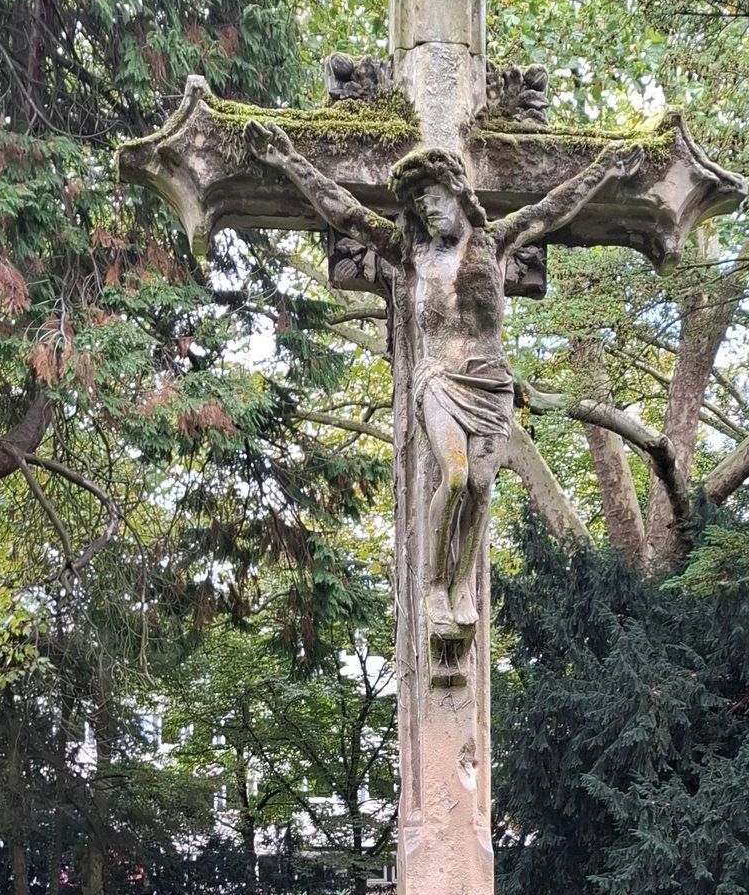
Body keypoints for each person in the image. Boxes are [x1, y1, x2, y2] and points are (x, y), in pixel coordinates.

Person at [243, 124, 643, 679]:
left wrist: (605, 168)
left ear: (457, 194)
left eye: (435, 199)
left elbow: (555, 206)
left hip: (491, 380)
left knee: (481, 486)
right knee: (453, 477)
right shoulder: (410, 250)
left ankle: (460, 588)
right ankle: (433, 587)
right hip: (437, 377)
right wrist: (288, 159)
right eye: (419, 204)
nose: (428, 211)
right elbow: (344, 211)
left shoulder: (496, 240)